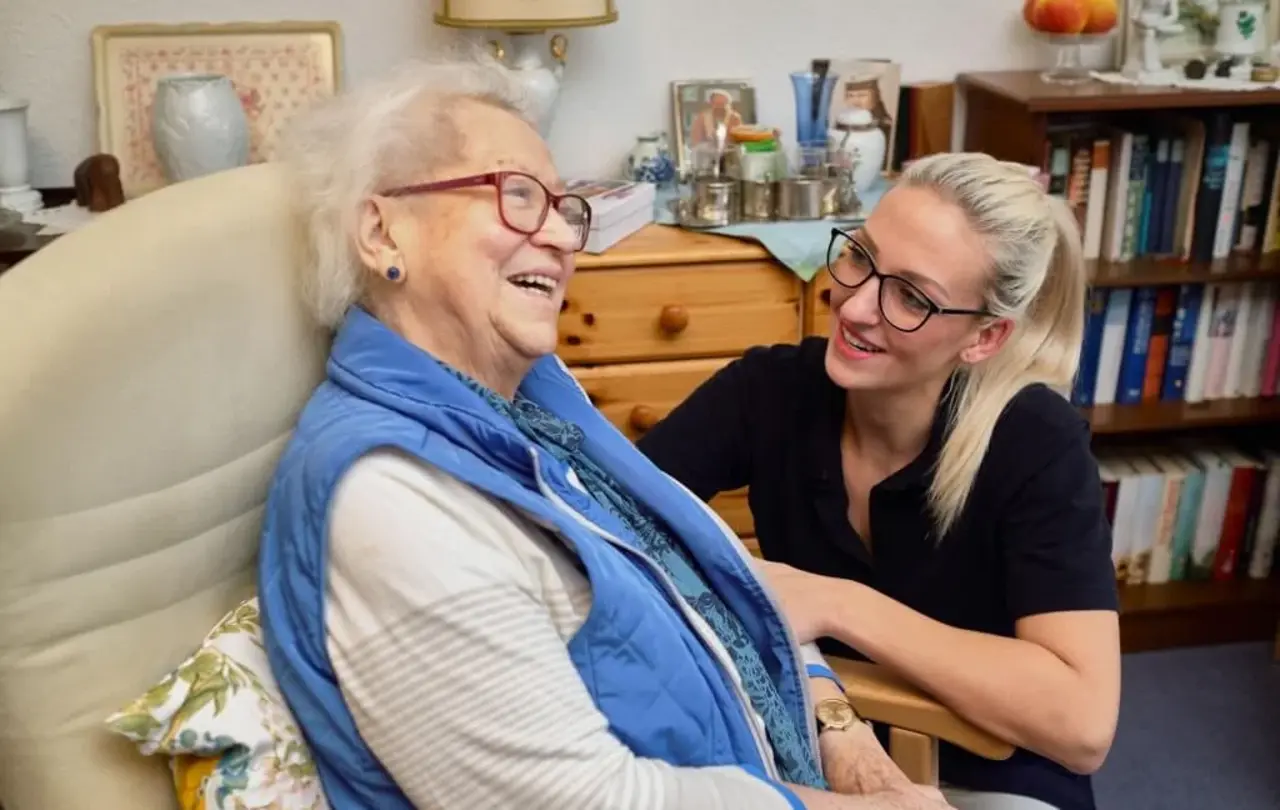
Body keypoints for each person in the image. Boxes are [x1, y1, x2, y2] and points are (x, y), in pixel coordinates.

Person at [255, 54, 954, 810]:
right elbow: (586, 801)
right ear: (382, 232)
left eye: (563, 207)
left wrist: (838, 723)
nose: (561, 236)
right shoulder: (391, 497)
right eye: (518, 196)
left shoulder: (530, 402)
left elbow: (708, 580)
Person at [638, 152, 1121, 810]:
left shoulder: (1036, 439)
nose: (856, 305)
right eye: (861, 257)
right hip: (807, 750)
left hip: (990, 769)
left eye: (912, 297)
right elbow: (615, 522)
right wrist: (830, 704)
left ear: (985, 337)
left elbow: (1083, 724)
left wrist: (840, 605)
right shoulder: (768, 390)